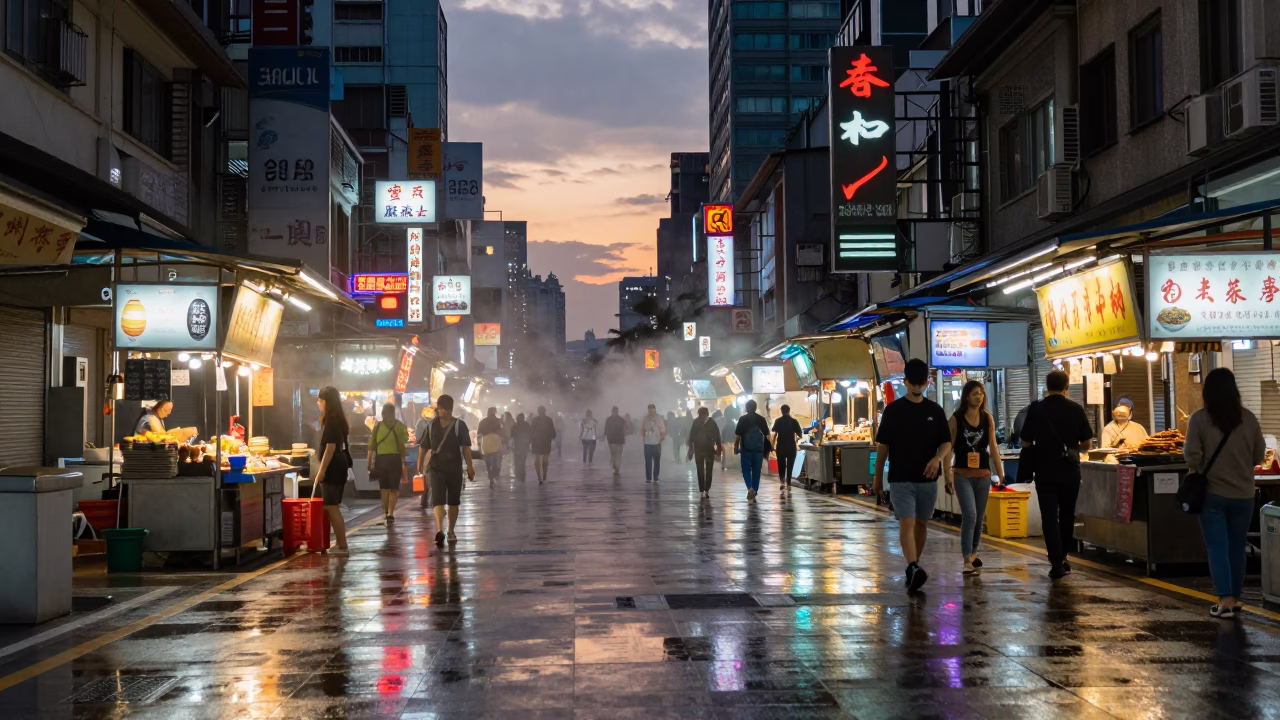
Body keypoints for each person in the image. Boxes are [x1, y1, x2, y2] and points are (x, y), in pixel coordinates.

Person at [1185, 368, 1266, 619]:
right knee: (1236, 547)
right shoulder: (1249, 418)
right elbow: (1259, 455)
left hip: (1212, 494)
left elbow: (1192, 455)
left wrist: (1203, 468)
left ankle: (1226, 600)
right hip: (1244, 495)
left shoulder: (1199, 419)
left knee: (1217, 547)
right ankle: (1236, 598)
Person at [874, 359, 952, 592]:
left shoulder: (935, 411)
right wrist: (877, 477)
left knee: (921, 523)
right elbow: (883, 447)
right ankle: (912, 565)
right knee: (906, 522)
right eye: (913, 383)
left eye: (921, 383)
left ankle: (914, 567)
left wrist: (938, 459)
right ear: (905, 382)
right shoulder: (893, 410)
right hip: (900, 478)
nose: (917, 387)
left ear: (927, 382)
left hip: (927, 478)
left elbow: (946, 443)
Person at [1020, 369, 1094, 579]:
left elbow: (1025, 441)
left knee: (1050, 517)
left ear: (1046, 386)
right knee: (1067, 514)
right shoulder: (1076, 409)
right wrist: (1070, 449)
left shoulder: (1036, 410)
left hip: (1044, 471)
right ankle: (1063, 556)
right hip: (1069, 471)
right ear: (1066, 387)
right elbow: (1087, 444)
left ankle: (1056, 562)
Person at [945, 380, 1005, 575]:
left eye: (981, 393)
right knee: (969, 515)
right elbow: (948, 448)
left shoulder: (987, 418)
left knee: (979, 518)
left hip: (983, 475)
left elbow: (993, 446)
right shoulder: (956, 418)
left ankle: (973, 553)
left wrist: (1000, 470)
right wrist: (947, 475)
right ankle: (966, 559)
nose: (979, 397)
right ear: (966, 397)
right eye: (974, 394)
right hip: (962, 474)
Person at [423, 394, 475, 546]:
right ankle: (441, 530)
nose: (443, 412)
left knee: (453, 501)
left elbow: (466, 448)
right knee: (437, 500)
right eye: (441, 409)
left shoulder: (460, 425)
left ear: (449, 409)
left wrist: (470, 467)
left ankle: (450, 529)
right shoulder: (431, 426)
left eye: (445, 409)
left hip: (454, 469)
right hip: (436, 469)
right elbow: (424, 447)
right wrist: (421, 466)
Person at [315, 387, 351, 555]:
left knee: (331, 506)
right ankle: (336, 543)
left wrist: (321, 471)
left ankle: (342, 545)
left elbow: (330, 447)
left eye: (320, 401)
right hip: (339, 466)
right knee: (331, 505)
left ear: (327, 402)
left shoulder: (332, 420)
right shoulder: (338, 419)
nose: (318, 404)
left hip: (333, 468)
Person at [367, 402, 409, 526]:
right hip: (395, 459)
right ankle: (391, 513)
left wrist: (369, 464)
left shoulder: (378, 426)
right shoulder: (399, 425)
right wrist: (403, 460)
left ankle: (386, 512)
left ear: (382, 413)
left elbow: (371, 447)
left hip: (381, 460)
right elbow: (404, 441)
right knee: (394, 488)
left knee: (384, 488)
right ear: (393, 413)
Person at [734, 399, 772, 501]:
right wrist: (767, 449)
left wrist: (735, 447)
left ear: (746, 408)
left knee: (746, 470)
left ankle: (749, 488)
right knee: (756, 471)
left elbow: (737, 436)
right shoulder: (761, 419)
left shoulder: (742, 419)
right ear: (755, 408)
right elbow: (767, 435)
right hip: (759, 449)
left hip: (746, 449)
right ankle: (754, 490)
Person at [687, 407, 721, 499]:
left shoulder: (696, 422)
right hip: (709, 448)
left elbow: (691, 436)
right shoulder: (712, 422)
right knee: (709, 470)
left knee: (700, 470)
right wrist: (718, 449)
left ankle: (702, 490)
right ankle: (706, 490)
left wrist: (690, 448)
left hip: (699, 449)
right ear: (707, 413)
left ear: (698, 413)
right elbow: (717, 436)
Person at [771, 405, 804, 493]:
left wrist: (772, 445)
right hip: (791, 446)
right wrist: (797, 439)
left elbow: (774, 434)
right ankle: (788, 483)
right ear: (789, 411)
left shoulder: (778, 421)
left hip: (781, 445)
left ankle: (782, 481)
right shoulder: (794, 421)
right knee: (790, 465)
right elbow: (800, 434)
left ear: (781, 411)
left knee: (781, 464)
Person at [478, 407, 506, 483]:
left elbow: (479, 432)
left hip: (486, 443)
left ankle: (491, 476)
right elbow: (502, 431)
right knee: (495, 460)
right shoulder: (498, 421)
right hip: (496, 442)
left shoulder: (483, 421)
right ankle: (493, 475)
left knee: (488, 461)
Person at [530, 406, 557, 483]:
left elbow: (531, 431)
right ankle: (544, 474)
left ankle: (539, 476)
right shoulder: (549, 420)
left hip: (537, 442)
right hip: (546, 442)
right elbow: (553, 431)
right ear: (545, 411)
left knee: (537, 459)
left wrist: (531, 438)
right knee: (545, 459)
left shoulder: (535, 420)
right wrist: (553, 437)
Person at [641, 404, 666, 483]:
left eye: (652, 409)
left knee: (656, 461)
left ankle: (655, 477)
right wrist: (644, 437)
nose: (651, 411)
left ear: (655, 409)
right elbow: (642, 429)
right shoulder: (645, 418)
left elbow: (662, 429)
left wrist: (661, 439)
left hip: (656, 443)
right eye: (649, 409)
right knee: (648, 461)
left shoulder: (659, 418)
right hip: (647, 443)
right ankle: (648, 478)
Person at [604, 407, 627, 477]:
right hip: (617, 439)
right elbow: (626, 428)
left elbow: (606, 429)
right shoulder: (621, 419)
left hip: (614, 440)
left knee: (616, 454)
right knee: (616, 455)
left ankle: (617, 468)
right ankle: (616, 466)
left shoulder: (609, 419)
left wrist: (606, 434)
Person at [510, 413, 532, 482]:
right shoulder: (525, 425)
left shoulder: (516, 425)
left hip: (519, 447)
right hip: (520, 447)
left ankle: (519, 476)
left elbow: (511, 435)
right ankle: (521, 476)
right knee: (521, 462)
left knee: (518, 462)